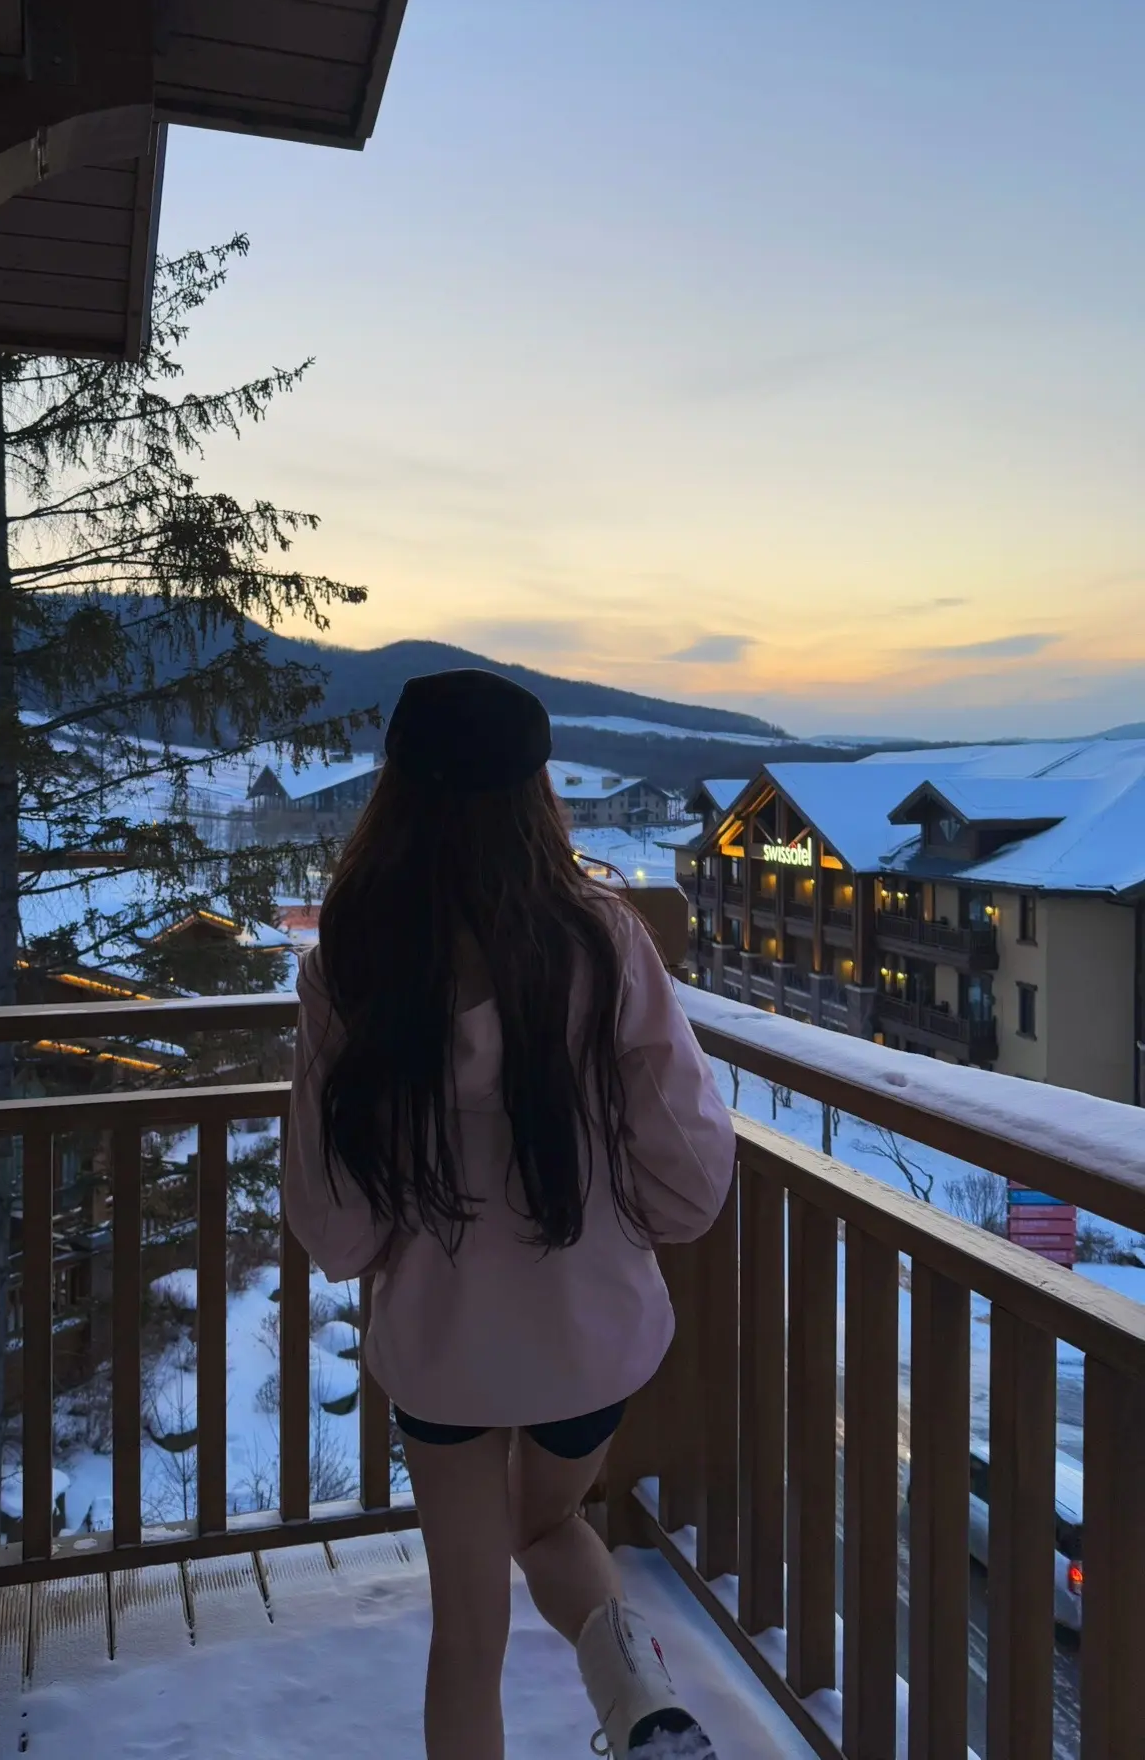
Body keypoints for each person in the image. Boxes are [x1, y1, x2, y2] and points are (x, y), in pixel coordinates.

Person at [284, 669, 737, 1760]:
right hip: (591, 1334)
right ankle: (645, 1704)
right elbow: (689, 1177)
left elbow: (335, 1220)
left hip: (444, 1348)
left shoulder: (354, 964)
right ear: (539, 793)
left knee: (467, 1625)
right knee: (550, 1520)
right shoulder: (604, 942)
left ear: (396, 792)